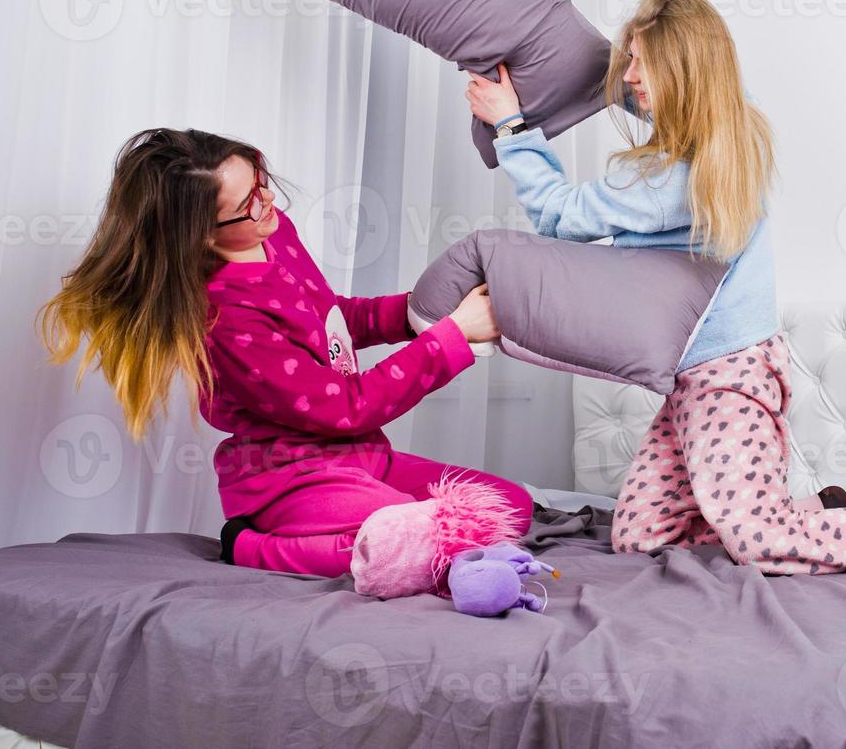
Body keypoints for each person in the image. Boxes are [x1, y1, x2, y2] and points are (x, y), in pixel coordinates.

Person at [465, 0, 846, 574]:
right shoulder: (738, 130)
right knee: (638, 538)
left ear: (682, 73)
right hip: (699, 378)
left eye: (642, 64)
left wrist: (511, 126)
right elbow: (689, 100)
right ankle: (816, 510)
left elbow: (559, 215)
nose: (628, 77)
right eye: (627, 59)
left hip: (726, 381)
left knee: (763, 543)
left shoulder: (667, 186)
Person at [40, 128, 532, 589]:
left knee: (509, 508)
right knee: (417, 539)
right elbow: (348, 407)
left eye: (261, 179)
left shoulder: (272, 234)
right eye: (250, 202)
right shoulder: (226, 317)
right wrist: (452, 337)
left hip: (363, 460)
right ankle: (251, 546)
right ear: (202, 236)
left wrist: (416, 313)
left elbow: (332, 320)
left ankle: (386, 526)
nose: (270, 200)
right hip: (288, 476)